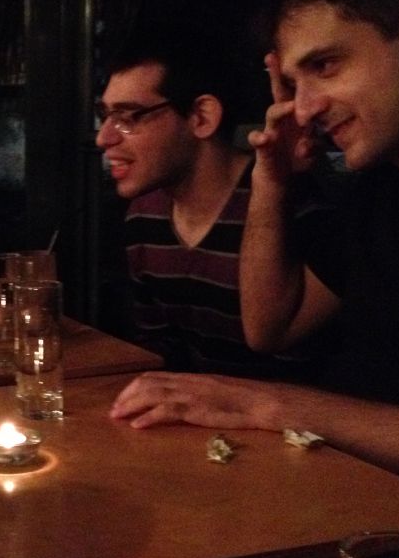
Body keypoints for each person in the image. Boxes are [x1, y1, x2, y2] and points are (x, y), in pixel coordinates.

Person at [110, 0, 399, 509]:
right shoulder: (379, 182)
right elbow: (271, 325)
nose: (303, 109)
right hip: (347, 509)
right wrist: (271, 178)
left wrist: (269, 404)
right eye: (293, 83)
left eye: (325, 66)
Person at [96, 27, 337, 378]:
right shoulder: (145, 214)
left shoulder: (287, 205)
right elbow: (159, 352)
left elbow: (307, 372)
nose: (104, 138)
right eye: (105, 115)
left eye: (128, 117)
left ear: (202, 117)